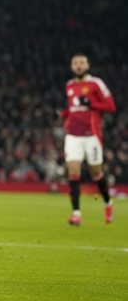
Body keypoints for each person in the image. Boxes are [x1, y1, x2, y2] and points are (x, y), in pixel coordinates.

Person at [60, 53, 116, 226]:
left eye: (82, 63)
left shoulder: (96, 83)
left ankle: (108, 202)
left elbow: (111, 106)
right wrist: (62, 115)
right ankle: (76, 214)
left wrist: (92, 104)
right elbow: (73, 109)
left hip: (91, 135)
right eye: (75, 63)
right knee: (73, 171)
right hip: (73, 135)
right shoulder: (69, 86)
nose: (78, 65)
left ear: (87, 65)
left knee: (96, 174)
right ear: (71, 66)